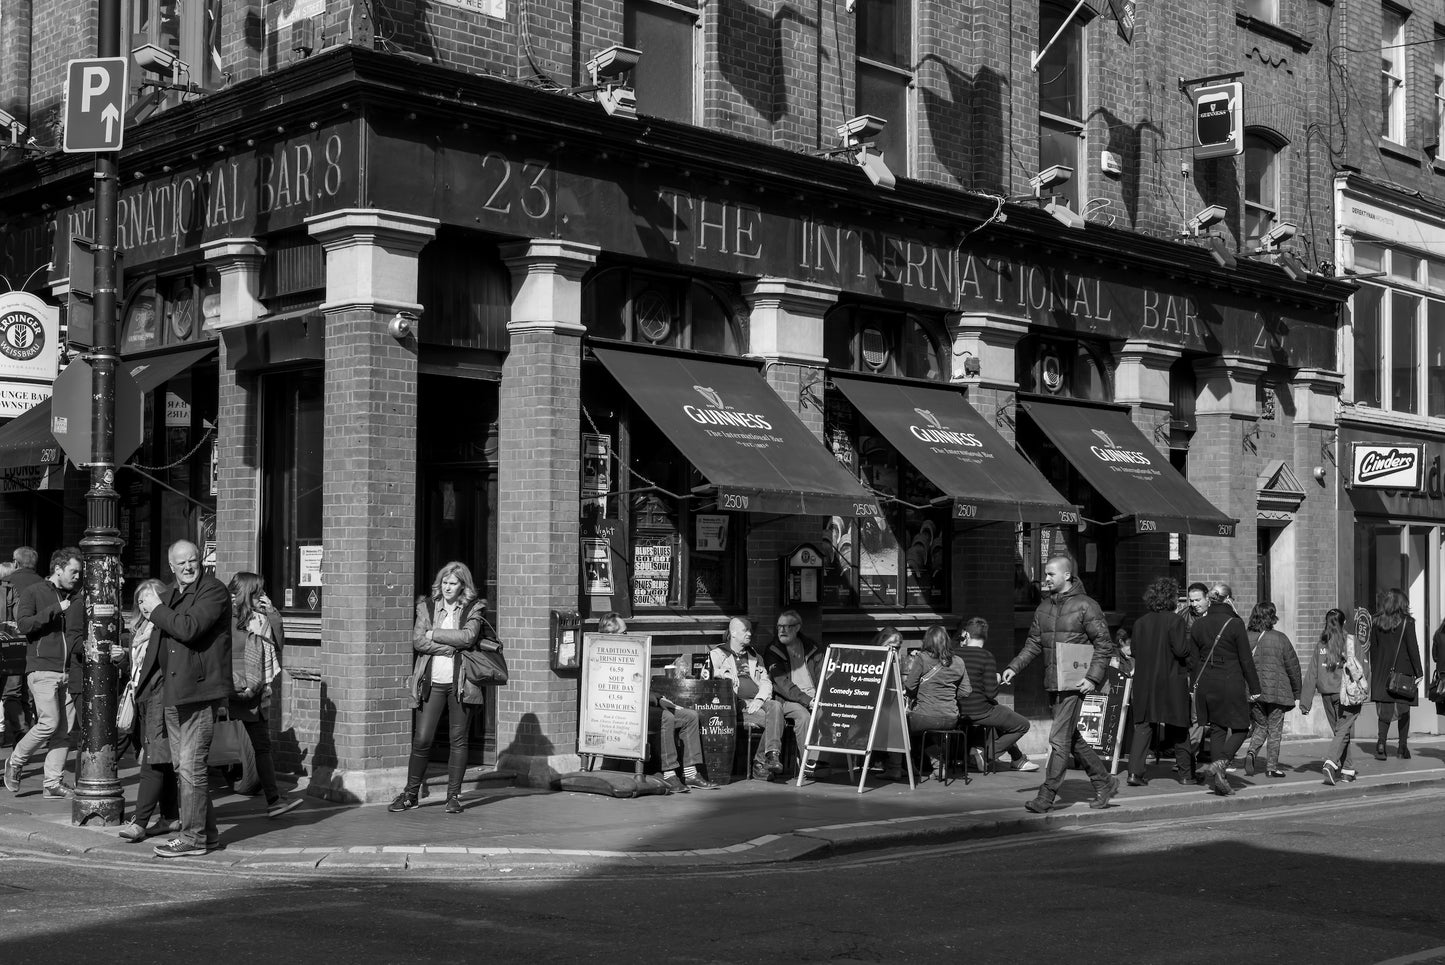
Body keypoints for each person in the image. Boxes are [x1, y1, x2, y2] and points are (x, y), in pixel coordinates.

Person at [1001, 554, 1120, 813]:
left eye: (1051, 574)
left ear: (1067, 575)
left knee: (1057, 739)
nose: (1045, 578)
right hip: (1053, 682)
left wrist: (1092, 678)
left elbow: (1104, 644)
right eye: (1045, 574)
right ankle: (1105, 781)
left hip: (1076, 684)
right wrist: (1014, 667)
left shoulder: (1087, 606)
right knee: (1070, 737)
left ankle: (1047, 795)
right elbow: (1033, 644)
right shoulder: (1043, 608)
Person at [137, 540, 233, 858]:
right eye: (182, 563)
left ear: (200, 560)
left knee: (192, 767)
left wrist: (157, 610)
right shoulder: (170, 594)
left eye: (193, 560)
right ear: (171, 566)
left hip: (199, 692)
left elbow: (189, 628)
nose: (188, 567)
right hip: (173, 693)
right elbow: (158, 645)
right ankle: (208, 835)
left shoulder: (213, 591)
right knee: (184, 768)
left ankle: (192, 838)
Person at [391, 562, 490, 814]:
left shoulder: (473, 608)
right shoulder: (426, 606)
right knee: (422, 739)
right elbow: (417, 640)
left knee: (458, 740)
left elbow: (468, 637)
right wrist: (449, 646)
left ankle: (453, 796)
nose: (447, 587)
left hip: (461, 684)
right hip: (432, 682)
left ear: (462, 585)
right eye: (445, 582)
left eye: (453, 583)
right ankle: (411, 794)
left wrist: (434, 634)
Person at [593, 612, 717, 792]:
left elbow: (639, 685)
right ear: (610, 634)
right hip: (621, 714)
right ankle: (670, 774)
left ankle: (690, 774)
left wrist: (659, 699)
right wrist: (657, 702)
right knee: (665, 717)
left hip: (641, 707)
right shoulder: (600, 658)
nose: (628, 636)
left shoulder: (630, 654)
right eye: (624, 633)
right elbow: (623, 691)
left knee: (690, 716)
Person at [3, 547, 85, 798]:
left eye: (79, 573)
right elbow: (25, 625)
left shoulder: (77, 596)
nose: (77, 577)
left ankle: (52, 782)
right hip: (42, 668)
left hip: (68, 670)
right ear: (58, 569)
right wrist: (55, 609)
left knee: (65, 730)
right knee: (49, 722)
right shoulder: (34, 591)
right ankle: (16, 760)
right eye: (73, 571)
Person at [228, 572, 300, 818]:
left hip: (253, 689)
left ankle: (274, 800)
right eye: (259, 591)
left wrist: (273, 614)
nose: (263, 595)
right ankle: (274, 799)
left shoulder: (261, 619)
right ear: (248, 593)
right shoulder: (228, 616)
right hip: (235, 687)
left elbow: (277, 645)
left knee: (262, 745)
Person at [116, 578, 181, 842]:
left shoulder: (164, 626)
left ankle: (140, 822)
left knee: (152, 759)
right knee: (161, 759)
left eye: (150, 598)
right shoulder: (141, 629)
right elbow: (138, 671)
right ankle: (170, 817)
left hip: (160, 698)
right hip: (142, 699)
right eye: (141, 600)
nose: (144, 605)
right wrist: (123, 660)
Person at [1188, 583, 1260, 796]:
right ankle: (1221, 763)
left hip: (1206, 683)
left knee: (1218, 728)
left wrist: (1193, 686)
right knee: (1242, 727)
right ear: (1229, 599)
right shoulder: (1235, 623)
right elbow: (1246, 659)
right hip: (1230, 681)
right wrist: (1255, 687)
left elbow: (1193, 661)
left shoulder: (1198, 625)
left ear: (1211, 600)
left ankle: (1221, 780)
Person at [1125, 577, 1195, 787]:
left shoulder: (1140, 622)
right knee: (1179, 727)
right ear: (1170, 598)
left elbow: (1135, 651)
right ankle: (1186, 774)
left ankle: (1134, 773)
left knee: (1143, 726)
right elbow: (1181, 650)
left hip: (1145, 682)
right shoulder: (1175, 621)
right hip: (1171, 680)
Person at [705, 617, 785, 780]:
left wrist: (760, 699)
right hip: (736, 705)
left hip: (756, 704)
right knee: (776, 721)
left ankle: (770, 756)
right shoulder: (718, 653)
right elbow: (709, 674)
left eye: (750, 630)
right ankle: (760, 763)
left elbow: (765, 682)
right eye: (745, 630)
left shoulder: (755, 656)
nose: (750, 633)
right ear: (733, 633)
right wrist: (725, 674)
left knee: (775, 706)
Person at [954, 617, 1033, 772]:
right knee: (1023, 725)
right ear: (985, 637)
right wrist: (996, 679)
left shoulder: (954, 654)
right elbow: (991, 693)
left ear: (967, 635)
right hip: (980, 711)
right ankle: (986, 753)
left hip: (956, 709)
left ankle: (1013, 758)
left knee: (1001, 715)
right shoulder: (986, 656)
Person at [1301, 608, 1364, 785]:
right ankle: (1330, 763)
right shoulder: (1351, 641)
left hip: (1327, 694)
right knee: (1343, 730)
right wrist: (1364, 690)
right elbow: (1363, 668)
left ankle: (1347, 770)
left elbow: (1312, 672)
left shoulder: (1321, 643)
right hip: (1347, 692)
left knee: (1340, 732)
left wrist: (1305, 701)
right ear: (1344, 623)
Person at [902, 625, 970, 780]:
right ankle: (937, 766)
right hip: (951, 718)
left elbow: (910, 686)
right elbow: (966, 691)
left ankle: (899, 767)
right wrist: (949, 696)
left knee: (901, 725)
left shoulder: (922, 658)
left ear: (927, 640)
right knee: (929, 729)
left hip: (925, 716)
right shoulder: (959, 661)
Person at [1243, 601, 1300, 779]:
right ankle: (1271, 767)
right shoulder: (1280, 638)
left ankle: (1252, 752)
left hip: (1253, 691)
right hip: (1277, 691)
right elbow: (1293, 666)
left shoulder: (1245, 637)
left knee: (1260, 725)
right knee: (1275, 729)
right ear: (1272, 617)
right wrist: (1297, 691)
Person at [764, 608, 826, 773]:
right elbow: (780, 683)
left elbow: (823, 674)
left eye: (787, 626)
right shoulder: (773, 650)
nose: (782, 630)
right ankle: (807, 760)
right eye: (779, 627)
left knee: (826, 712)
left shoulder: (811, 647)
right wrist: (807, 700)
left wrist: (822, 696)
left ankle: (819, 758)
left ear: (798, 627)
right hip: (787, 699)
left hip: (813, 696)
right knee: (804, 716)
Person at [1369, 588, 1422, 762]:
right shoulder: (1407, 622)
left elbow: (1374, 650)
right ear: (1402, 603)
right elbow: (1413, 648)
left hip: (1382, 673)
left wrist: (1376, 672)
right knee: (1404, 711)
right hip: (1403, 674)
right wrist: (1419, 672)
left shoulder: (1376, 621)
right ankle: (1402, 747)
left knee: (1384, 711)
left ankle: (1381, 745)